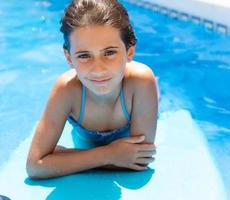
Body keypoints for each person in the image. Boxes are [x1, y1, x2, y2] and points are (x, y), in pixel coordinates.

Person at [26, 0, 158, 179]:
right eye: (84, 56)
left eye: (109, 53)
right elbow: (35, 166)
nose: (98, 69)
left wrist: (63, 158)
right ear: (69, 58)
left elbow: (140, 160)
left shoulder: (141, 82)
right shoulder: (66, 90)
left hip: (142, 93)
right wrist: (110, 155)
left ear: (129, 53)